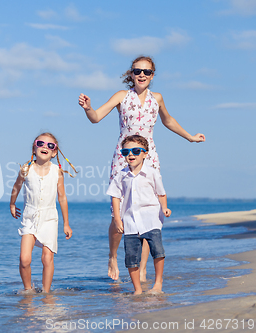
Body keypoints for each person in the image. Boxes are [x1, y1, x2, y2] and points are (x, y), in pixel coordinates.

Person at [78, 56, 205, 281]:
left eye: (147, 72)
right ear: (131, 74)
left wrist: (190, 138)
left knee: (149, 214)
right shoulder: (121, 96)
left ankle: (144, 268)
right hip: (123, 158)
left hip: (150, 159)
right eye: (138, 71)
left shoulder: (157, 98)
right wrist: (88, 108)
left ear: (153, 75)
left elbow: (168, 121)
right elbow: (96, 117)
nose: (142, 75)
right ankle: (112, 256)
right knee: (118, 213)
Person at [10, 132, 77, 293]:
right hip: (29, 218)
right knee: (24, 259)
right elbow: (16, 187)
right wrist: (12, 204)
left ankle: (46, 293)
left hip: (49, 219)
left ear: (54, 152)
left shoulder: (57, 172)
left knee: (47, 258)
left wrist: (66, 223)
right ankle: (28, 291)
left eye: (50, 145)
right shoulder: (26, 169)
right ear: (34, 148)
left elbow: (62, 198)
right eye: (40, 143)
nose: (45, 147)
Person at [106, 135, 171, 295]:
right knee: (130, 257)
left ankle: (158, 283)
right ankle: (138, 289)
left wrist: (164, 208)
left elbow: (161, 193)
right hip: (129, 222)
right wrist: (117, 219)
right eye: (126, 151)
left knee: (158, 251)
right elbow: (115, 196)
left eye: (135, 150)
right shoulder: (120, 175)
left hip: (151, 219)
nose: (130, 154)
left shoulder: (152, 173)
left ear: (145, 153)